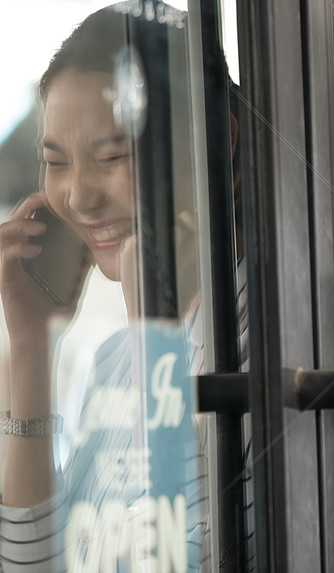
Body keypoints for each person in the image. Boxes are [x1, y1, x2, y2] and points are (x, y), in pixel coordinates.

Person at [0, 3, 249, 571]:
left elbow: (186, 556)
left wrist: (152, 338)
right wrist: (34, 348)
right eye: (55, 162)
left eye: (113, 156)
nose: (79, 197)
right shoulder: (112, 361)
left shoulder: (279, 335)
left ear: (213, 141)